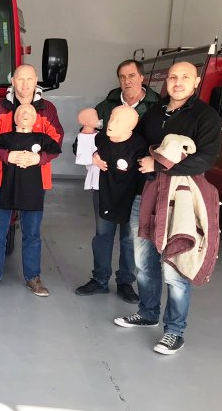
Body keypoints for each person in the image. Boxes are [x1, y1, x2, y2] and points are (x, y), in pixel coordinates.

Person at [114, 61, 221, 355]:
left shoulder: (205, 116)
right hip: (146, 195)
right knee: (143, 261)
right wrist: (105, 150)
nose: (177, 82)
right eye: (173, 77)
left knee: (175, 266)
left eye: (185, 77)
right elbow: (136, 144)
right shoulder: (154, 113)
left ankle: (174, 331)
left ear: (196, 82)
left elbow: (206, 158)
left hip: (179, 201)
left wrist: (159, 164)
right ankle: (148, 313)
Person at [74, 59, 161, 303]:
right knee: (102, 234)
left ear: (142, 77)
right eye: (122, 76)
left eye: (132, 75)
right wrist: (92, 154)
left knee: (130, 237)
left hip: (136, 186)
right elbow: (85, 138)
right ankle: (100, 279)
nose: (127, 80)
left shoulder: (156, 107)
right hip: (106, 184)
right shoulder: (106, 105)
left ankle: (125, 282)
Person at [0, 64, 63, 297]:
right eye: (20, 79)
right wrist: (8, 156)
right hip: (2, 178)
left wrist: (38, 158)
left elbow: (56, 140)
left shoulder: (47, 109)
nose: (24, 84)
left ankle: (33, 277)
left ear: (36, 82)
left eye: (29, 79)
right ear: (12, 82)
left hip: (35, 180)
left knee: (32, 232)